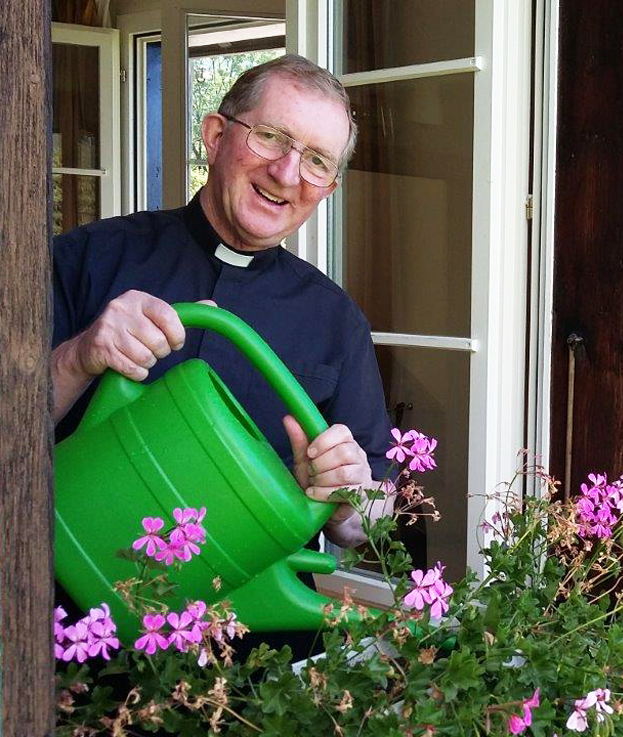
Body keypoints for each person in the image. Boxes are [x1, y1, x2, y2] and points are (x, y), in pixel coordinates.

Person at [51, 54, 392, 551]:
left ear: (328, 190)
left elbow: (368, 527)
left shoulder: (338, 321)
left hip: (252, 620)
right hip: (78, 609)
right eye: (271, 136)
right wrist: (78, 356)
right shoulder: (88, 256)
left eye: (317, 161)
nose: (287, 172)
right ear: (215, 136)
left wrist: (349, 499)